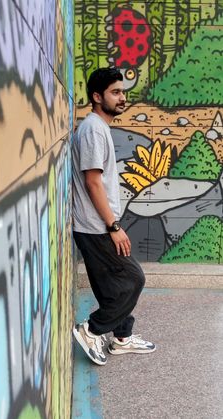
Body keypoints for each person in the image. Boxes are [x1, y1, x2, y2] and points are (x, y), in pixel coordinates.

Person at [72, 67, 156, 365]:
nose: (123, 97)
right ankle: (92, 329)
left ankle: (121, 337)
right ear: (97, 97)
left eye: (123, 92)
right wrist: (113, 226)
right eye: (115, 92)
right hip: (96, 226)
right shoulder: (94, 129)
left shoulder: (97, 127)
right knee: (133, 278)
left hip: (96, 225)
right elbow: (92, 181)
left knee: (113, 286)